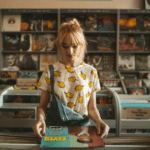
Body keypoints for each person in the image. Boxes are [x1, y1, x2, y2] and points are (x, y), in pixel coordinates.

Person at [32, 19, 110, 138]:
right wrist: (40, 119)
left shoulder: (91, 72)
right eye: (65, 46)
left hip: (82, 131)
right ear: (59, 45)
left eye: (75, 46)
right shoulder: (50, 71)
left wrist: (99, 120)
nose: (70, 51)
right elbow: (42, 106)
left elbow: (92, 108)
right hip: (55, 130)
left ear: (81, 45)